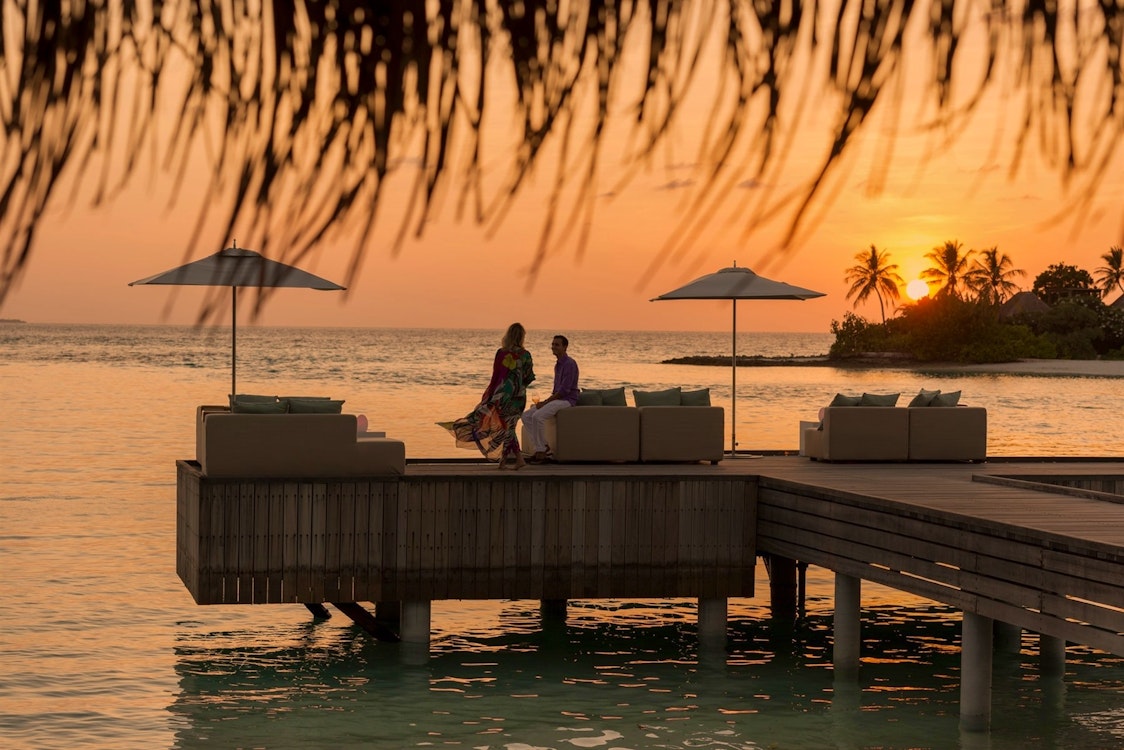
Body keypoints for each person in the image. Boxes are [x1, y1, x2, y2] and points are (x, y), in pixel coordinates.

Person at [439, 323, 535, 469]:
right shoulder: (526, 355)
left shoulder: (501, 353)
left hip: (502, 395)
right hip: (519, 398)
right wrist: (518, 385)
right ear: (522, 336)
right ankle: (513, 460)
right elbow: (529, 377)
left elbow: (496, 376)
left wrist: (490, 394)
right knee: (509, 427)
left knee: (506, 427)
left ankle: (512, 460)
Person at [521, 334, 579, 462]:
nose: (553, 347)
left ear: (565, 347)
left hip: (567, 400)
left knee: (537, 416)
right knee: (526, 416)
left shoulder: (569, 364)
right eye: (553, 344)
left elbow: (564, 391)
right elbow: (556, 390)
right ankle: (543, 448)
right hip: (558, 399)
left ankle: (541, 451)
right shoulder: (558, 364)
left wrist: (546, 402)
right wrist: (545, 402)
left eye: (557, 345)